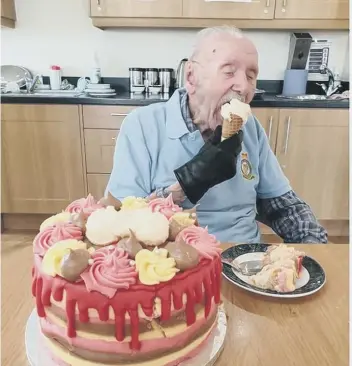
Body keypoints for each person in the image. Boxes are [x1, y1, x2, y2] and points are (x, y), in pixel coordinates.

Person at [106, 25, 328, 244]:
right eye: (229, 72)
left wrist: (313, 246)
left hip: (244, 259)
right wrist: (187, 184)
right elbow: (123, 220)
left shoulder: (251, 128)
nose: (243, 86)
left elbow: (284, 205)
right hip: (171, 260)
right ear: (191, 77)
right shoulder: (143, 125)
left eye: (251, 76)